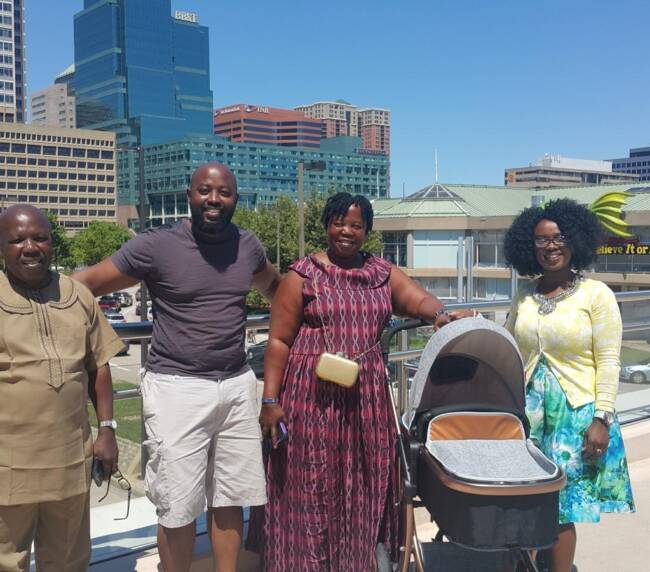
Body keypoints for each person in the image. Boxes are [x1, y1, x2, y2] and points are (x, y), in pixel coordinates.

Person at [73, 163, 281, 572]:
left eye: (224, 193)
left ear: (236, 200)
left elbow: (277, 288)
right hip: (176, 388)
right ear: (189, 195)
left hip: (237, 384)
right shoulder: (156, 245)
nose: (214, 200)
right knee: (177, 505)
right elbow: (85, 284)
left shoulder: (247, 245)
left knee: (230, 499)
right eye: (205, 191)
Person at [257, 192, 465, 571]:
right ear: (326, 225)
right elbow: (279, 340)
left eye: (356, 225)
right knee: (311, 482)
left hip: (365, 399)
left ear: (367, 230)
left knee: (363, 482)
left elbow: (416, 298)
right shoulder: (302, 274)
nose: (346, 231)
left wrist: (440, 314)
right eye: (339, 222)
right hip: (310, 398)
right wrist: (270, 400)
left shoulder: (381, 272)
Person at [504, 198, 635, 572]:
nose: (551, 246)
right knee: (526, 500)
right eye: (541, 239)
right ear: (529, 246)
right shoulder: (525, 296)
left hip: (575, 417)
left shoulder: (596, 295)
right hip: (529, 415)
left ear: (575, 240)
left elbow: (609, 360)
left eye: (559, 237)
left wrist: (602, 419)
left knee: (562, 507)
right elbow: (508, 344)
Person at [0, 205, 123, 572]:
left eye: (40, 238)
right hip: (8, 463)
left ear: (52, 243)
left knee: (68, 560)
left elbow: (99, 365)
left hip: (70, 459)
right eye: (17, 240)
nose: (30, 247)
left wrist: (107, 430)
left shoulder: (76, 295)